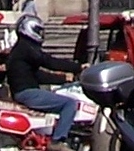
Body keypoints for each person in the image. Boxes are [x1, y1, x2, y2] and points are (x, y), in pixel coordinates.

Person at [6, 13, 85, 145]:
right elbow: (49, 62)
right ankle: (57, 142)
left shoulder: (22, 48)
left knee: (58, 95)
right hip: (28, 93)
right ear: (29, 29)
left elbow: (38, 75)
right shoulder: (26, 48)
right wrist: (78, 67)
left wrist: (64, 79)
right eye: (38, 30)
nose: (41, 34)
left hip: (24, 91)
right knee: (69, 104)